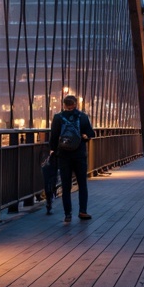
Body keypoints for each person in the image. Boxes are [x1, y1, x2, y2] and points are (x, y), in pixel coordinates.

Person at [49, 95, 95, 224]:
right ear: (76, 104)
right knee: (82, 184)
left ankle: (67, 214)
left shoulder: (58, 118)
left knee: (66, 185)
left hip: (64, 155)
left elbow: (53, 136)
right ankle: (83, 211)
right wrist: (85, 137)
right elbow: (91, 133)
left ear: (64, 105)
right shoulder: (83, 117)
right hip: (79, 154)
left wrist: (53, 150)